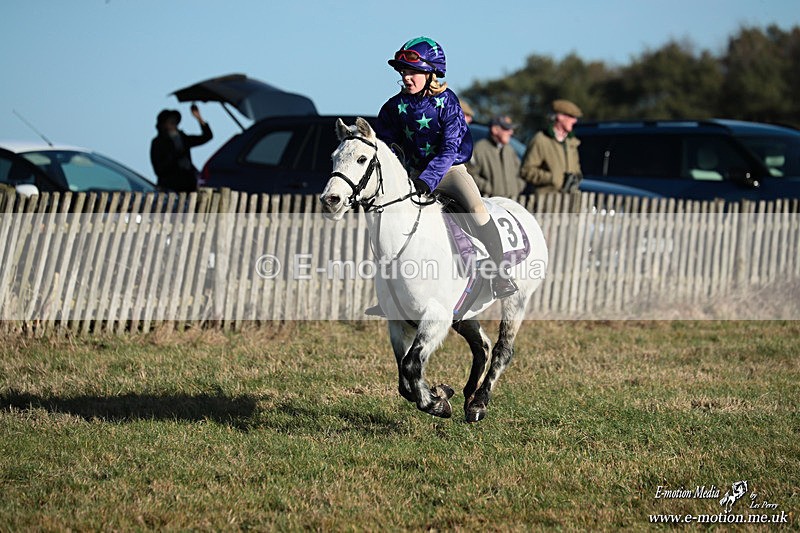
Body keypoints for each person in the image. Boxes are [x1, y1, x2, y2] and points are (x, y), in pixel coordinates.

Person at [374, 36, 516, 298]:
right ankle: (390, 291)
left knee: (476, 207)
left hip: (449, 170)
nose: (406, 77)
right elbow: (383, 145)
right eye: (404, 71)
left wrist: (426, 180)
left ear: (431, 73)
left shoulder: (448, 101)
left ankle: (500, 274)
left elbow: (449, 150)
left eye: (414, 71)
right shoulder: (393, 107)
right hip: (414, 175)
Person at [519, 99, 583, 195]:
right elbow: (526, 171)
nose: (575, 121)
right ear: (560, 117)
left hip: (568, 200)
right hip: (545, 202)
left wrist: (577, 178)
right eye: (571, 117)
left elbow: (576, 170)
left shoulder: (571, 143)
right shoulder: (541, 140)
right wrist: (552, 178)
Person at [150, 105, 212, 192]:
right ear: (163, 124)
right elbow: (159, 169)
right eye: (170, 121)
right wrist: (176, 157)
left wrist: (199, 118)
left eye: (175, 121)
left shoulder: (183, 139)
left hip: (189, 185)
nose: (174, 124)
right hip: (169, 187)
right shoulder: (158, 142)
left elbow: (207, 136)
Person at [467, 115, 525, 198]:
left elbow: (521, 174)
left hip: (511, 203)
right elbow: (469, 175)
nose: (511, 132)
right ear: (495, 130)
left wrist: (517, 187)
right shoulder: (479, 149)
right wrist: (489, 188)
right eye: (506, 129)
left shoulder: (510, 150)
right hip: (490, 205)